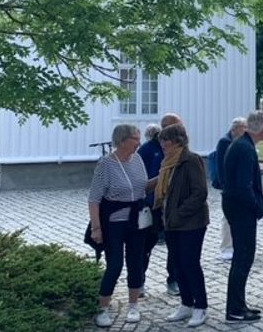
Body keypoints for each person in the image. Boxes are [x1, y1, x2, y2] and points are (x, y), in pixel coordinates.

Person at [88, 124, 148, 327]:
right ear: (122, 140)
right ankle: (103, 308)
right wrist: (96, 228)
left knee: (136, 262)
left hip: (137, 220)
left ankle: (133, 306)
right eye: (135, 139)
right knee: (115, 264)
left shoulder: (138, 159)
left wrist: (165, 177)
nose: (139, 143)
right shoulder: (106, 164)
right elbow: (94, 198)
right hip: (114, 222)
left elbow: (142, 187)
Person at [155, 124, 210, 327]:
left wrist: (178, 214)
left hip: (191, 224)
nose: (162, 144)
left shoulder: (190, 160)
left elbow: (200, 193)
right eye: (161, 140)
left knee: (190, 264)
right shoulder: (167, 163)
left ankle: (200, 306)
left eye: (166, 141)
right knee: (177, 265)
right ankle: (186, 303)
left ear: (178, 141)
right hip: (171, 223)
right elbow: (165, 188)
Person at [223, 110, 263, 323]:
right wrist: (257, 207)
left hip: (236, 209)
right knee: (242, 259)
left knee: (243, 259)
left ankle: (239, 304)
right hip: (241, 211)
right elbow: (244, 186)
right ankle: (234, 310)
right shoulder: (245, 148)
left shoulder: (241, 144)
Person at [138, 112, 182, 297]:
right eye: (177, 127)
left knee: (175, 245)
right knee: (145, 245)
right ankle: (139, 282)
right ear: (166, 128)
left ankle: (173, 280)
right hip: (152, 206)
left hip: (173, 207)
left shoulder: (180, 149)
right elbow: (140, 181)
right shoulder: (147, 150)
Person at [214, 117, 247, 261]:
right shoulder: (225, 142)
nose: (246, 130)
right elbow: (221, 165)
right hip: (229, 186)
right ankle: (226, 247)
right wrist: (225, 185)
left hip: (241, 186)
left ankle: (239, 245)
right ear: (235, 128)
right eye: (243, 127)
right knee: (228, 217)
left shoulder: (243, 142)